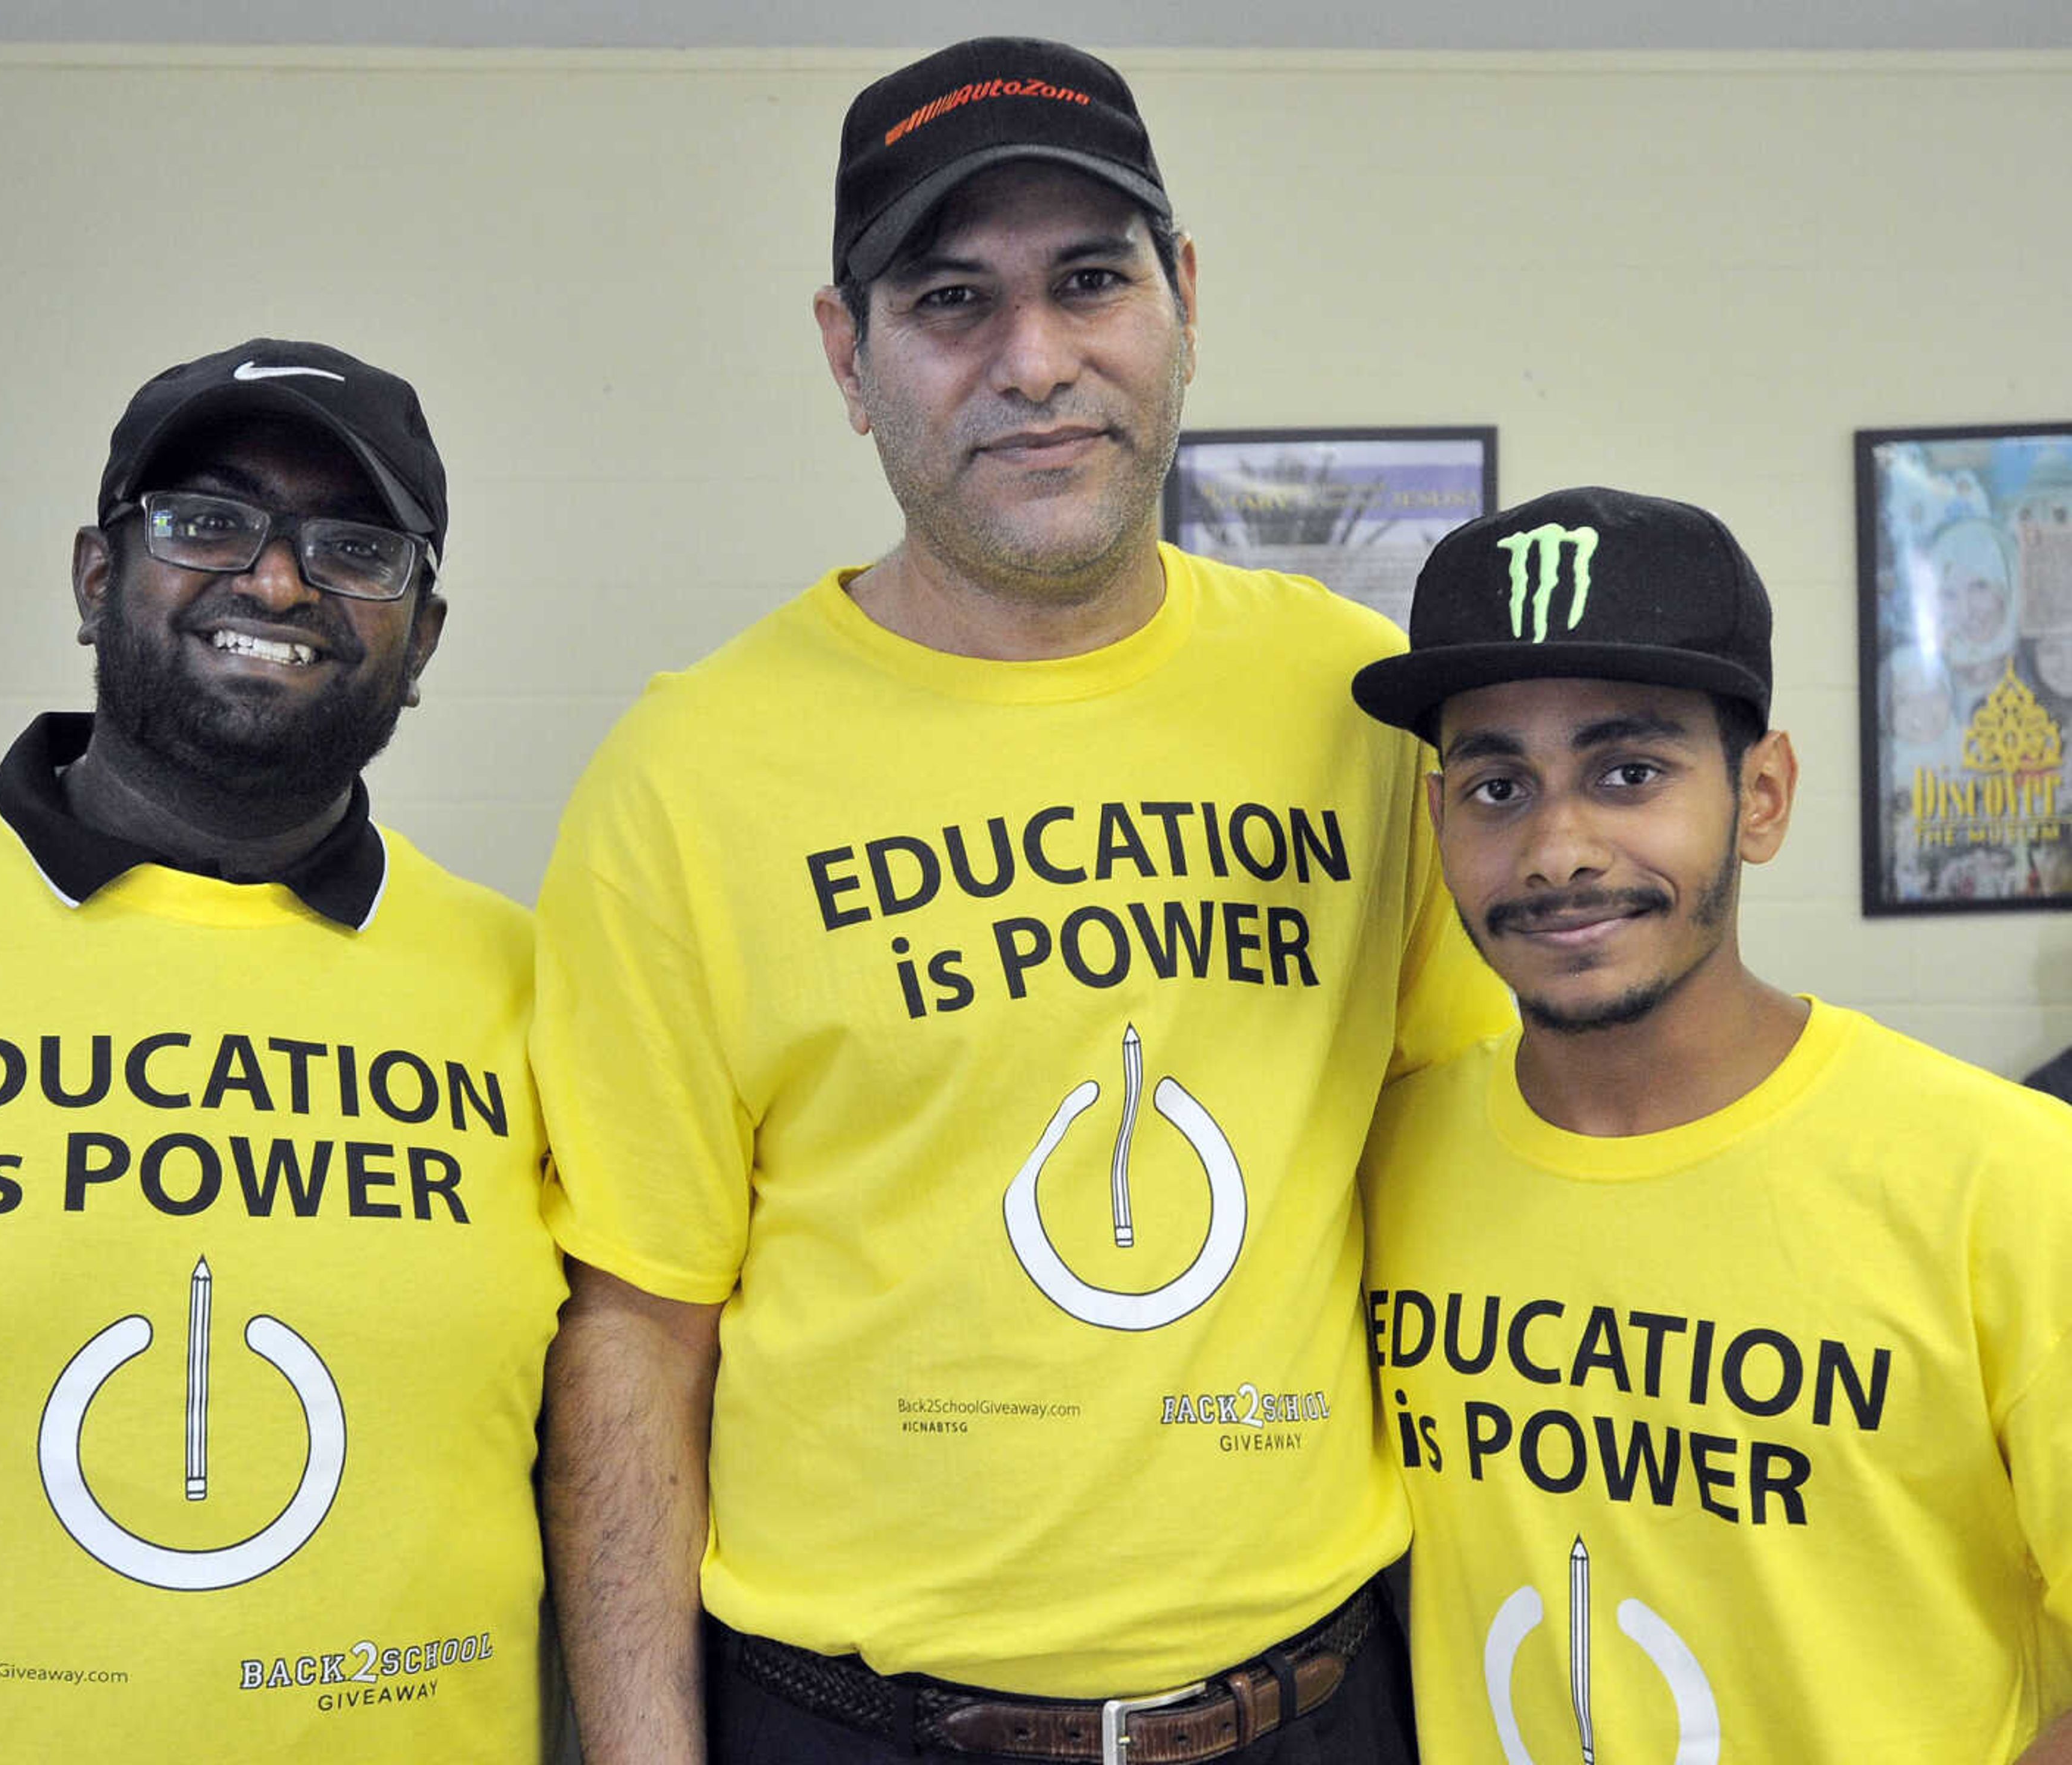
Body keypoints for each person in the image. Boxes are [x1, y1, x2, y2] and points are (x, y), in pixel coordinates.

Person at [534, 36, 1511, 1765]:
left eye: (1089, 282)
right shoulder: (686, 774)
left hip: (1319, 1704)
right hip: (853, 1720)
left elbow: (1472, 1170)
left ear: (1184, 298)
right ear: (848, 354)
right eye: (951, 301)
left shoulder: (1363, 707)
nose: (1037, 362)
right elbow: (635, 1330)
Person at [0, 338, 565, 1763]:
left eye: (354, 548)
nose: (275, 581)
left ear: (424, 638)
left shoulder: (544, 992)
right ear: (94, 577)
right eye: (207, 522)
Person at [1349, 484, 2072, 1760]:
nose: (1559, 849)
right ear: (1438, 822)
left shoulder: (2013, 1179)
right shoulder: (1378, 1161)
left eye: (1629, 771)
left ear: (1764, 795)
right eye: (1498, 786)